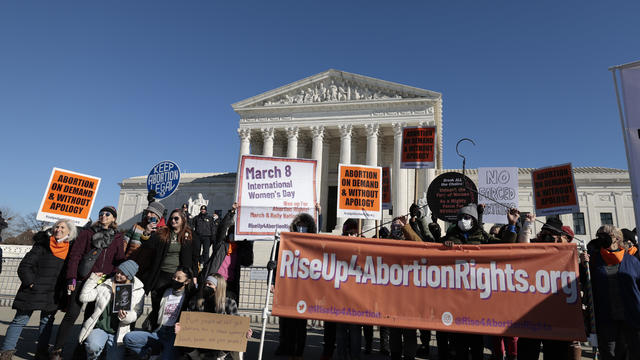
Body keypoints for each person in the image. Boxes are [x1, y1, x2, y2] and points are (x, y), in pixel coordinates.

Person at [443, 204, 519, 360]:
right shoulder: (451, 236)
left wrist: (512, 225)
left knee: (477, 345)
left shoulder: (482, 237)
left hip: (477, 299)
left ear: (473, 220)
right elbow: (433, 247)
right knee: (459, 346)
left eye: (467, 218)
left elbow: (505, 246)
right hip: (456, 298)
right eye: (461, 218)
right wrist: (444, 246)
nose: (463, 221)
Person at [51, 206, 125, 360]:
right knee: (72, 314)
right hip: (83, 277)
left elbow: (119, 258)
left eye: (107, 214)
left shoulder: (118, 237)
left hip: (102, 281)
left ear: (114, 218)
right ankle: (57, 349)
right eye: (101, 213)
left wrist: (117, 276)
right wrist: (71, 276)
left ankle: (80, 350)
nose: (103, 216)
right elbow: (75, 255)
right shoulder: (87, 233)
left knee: (90, 317)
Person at [0, 220, 77, 360]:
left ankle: (41, 353)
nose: (58, 229)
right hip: (33, 291)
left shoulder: (70, 250)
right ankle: (6, 352)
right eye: (56, 227)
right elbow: (24, 266)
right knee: (20, 320)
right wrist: (31, 284)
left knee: (47, 322)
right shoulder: (42, 245)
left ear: (69, 232)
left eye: (62, 227)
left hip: (52, 293)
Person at [579, 225, 640, 360]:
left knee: (633, 353)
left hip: (631, 318)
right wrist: (583, 266)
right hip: (605, 319)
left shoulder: (632, 261)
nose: (601, 238)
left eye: (605, 235)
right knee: (609, 354)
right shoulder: (593, 260)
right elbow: (583, 282)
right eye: (599, 235)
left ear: (617, 239)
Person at [134, 208, 199, 330]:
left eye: (176, 218)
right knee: (158, 305)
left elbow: (195, 258)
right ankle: (154, 330)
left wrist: (194, 276)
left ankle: (172, 332)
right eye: (171, 218)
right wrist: (147, 233)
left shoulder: (190, 235)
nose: (173, 220)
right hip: (161, 274)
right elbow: (148, 246)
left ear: (183, 220)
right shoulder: (163, 232)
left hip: (179, 276)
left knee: (177, 306)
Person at [269, 213, 316, 359]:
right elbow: (275, 259)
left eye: (305, 225)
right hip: (286, 286)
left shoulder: (313, 242)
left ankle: (298, 351)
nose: (302, 228)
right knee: (285, 320)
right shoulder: (285, 241)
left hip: (303, 288)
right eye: (299, 225)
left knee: (300, 323)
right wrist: (271, 281)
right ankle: (285, 346)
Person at [78, 260, 145, 360]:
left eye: (122, 274)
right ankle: (94, 357)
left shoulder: (138, 291)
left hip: (119, 332)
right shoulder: (106, 283)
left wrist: (126, 316)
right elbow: (84, 297)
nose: (118, 275)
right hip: (100, 327)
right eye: (118, 271)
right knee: (92, 346)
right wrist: (93, 279)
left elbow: (137, 313)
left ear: (129, 276)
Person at [123, 266, 194, 360]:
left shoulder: (189, 297)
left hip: (173, 335)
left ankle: (162, 354)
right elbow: (155, 310)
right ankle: (150, 353)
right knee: (128, 338)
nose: (175, 280)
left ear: (187, 281)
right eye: (174, 277)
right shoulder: (164, 291)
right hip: (158, 332)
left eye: (179, 278)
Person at [178, 273, 252, 360]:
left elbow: (237, 326)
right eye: (205, 283)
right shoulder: (196, 300)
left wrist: (245, 332)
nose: (206, 286)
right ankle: (196, 357)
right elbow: (187, 321)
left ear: (218, 287)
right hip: (199, 342)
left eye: (209, 284)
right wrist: (180, 327)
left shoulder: (229, 303)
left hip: (220, 345)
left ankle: (219, 357)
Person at [201, 203, 253, 304]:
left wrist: (248, 243)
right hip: (215, 281)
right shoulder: (221, 245)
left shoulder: (240, 249)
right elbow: (222, 228)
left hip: (230, 283)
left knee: (228, 306)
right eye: (231, 232)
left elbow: (248, 262)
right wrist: (231, 212)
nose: (233, 235)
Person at [388, 217, 418, 360]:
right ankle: (394, 354)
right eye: (394, 226)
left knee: (409, 332)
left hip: (409, 296)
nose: (396, 228)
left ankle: (409, 356)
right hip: (393, 295)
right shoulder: (386, 242)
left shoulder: (410, 243)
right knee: (394, 331)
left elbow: (420, 244)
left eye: (399, 226)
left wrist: (406, 227)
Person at [335, 218, 363, 360]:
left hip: (357, 297)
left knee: (355, 330)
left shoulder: (364, 244)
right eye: (349, 233)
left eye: (354, 233)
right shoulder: (339, 245)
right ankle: (341, 355)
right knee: (341, 330)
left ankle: (355, 356)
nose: (352, 235)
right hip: (341, 295)